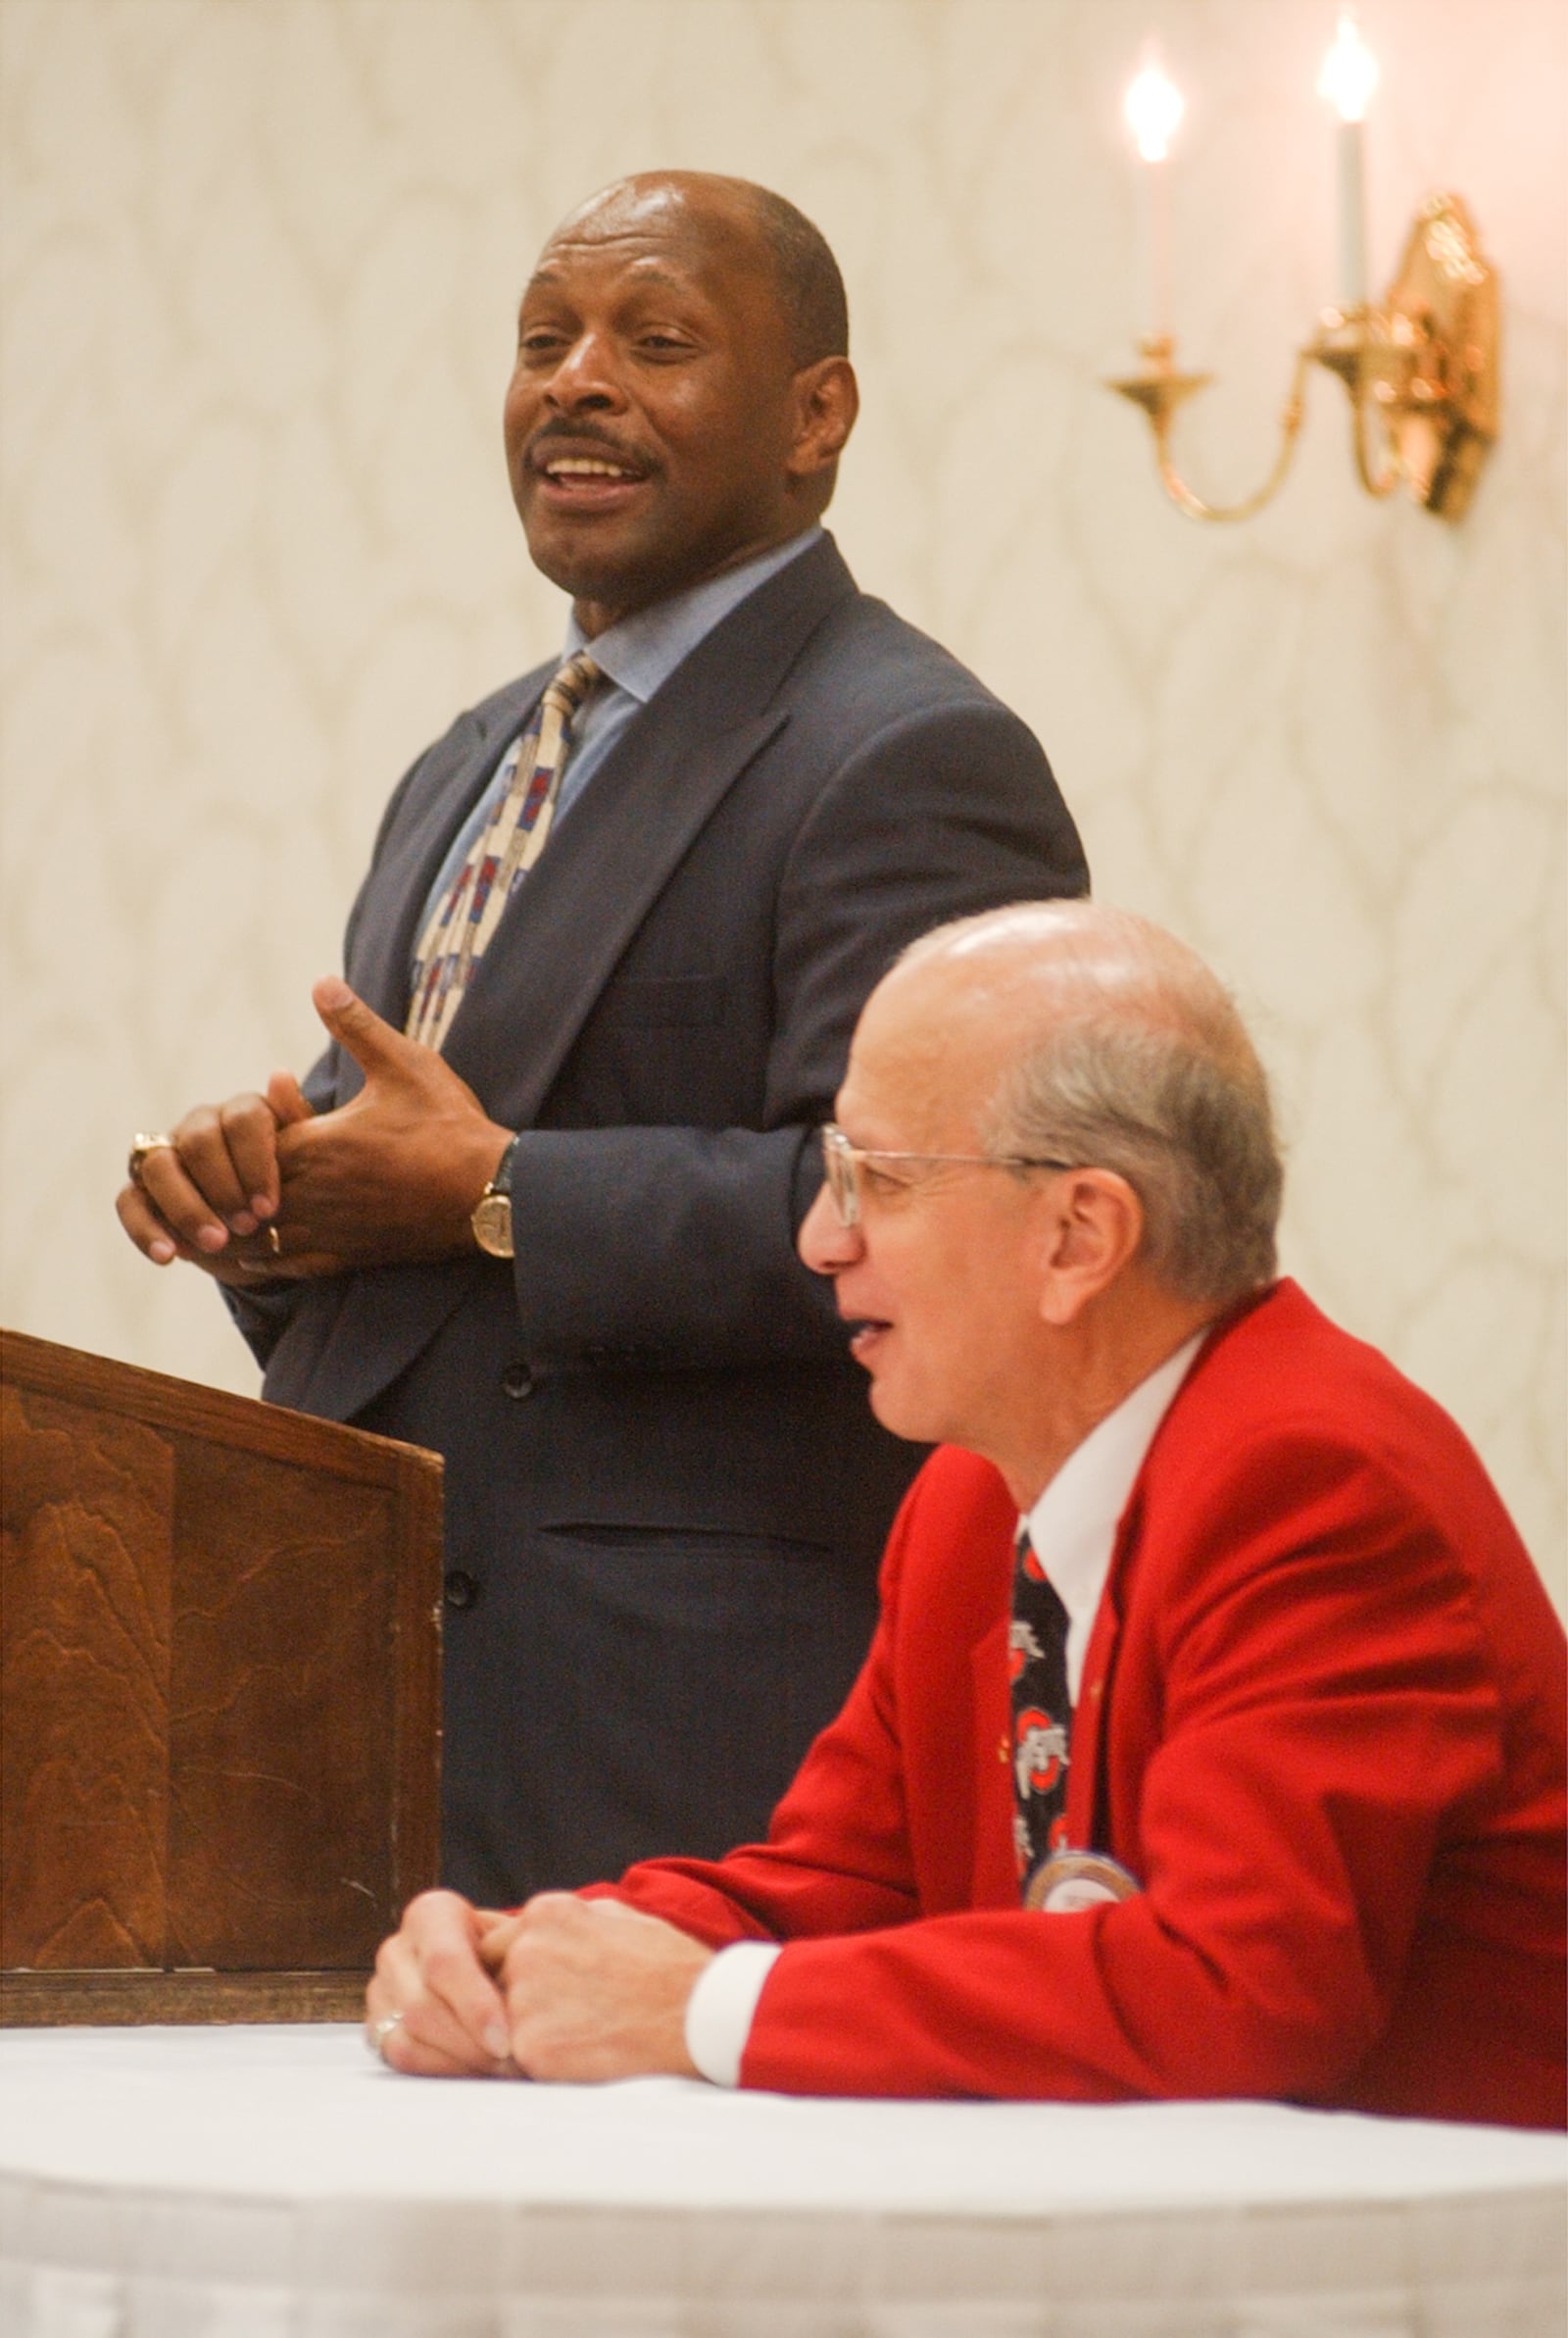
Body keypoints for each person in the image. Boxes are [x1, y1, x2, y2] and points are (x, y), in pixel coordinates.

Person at [114, 174, 1088, 1906]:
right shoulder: (466, 762)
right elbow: (414, 1217)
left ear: (816, 414)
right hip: (372, 1699)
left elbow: (953, 1217)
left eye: (656, 341)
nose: (575, 381)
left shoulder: (908, 752)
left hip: (693, 1726)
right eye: (542, 341)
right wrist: (278, 1211)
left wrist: (493, 1192)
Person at [366, 902, 1568, 2129]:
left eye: (871, 1178)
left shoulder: (1313, 1482)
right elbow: (843, 1880)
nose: (819, 1239)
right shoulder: (970, 1495)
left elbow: (1240, 1990)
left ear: (1077, 1236)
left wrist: (699, 2012)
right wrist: (534, 1956)